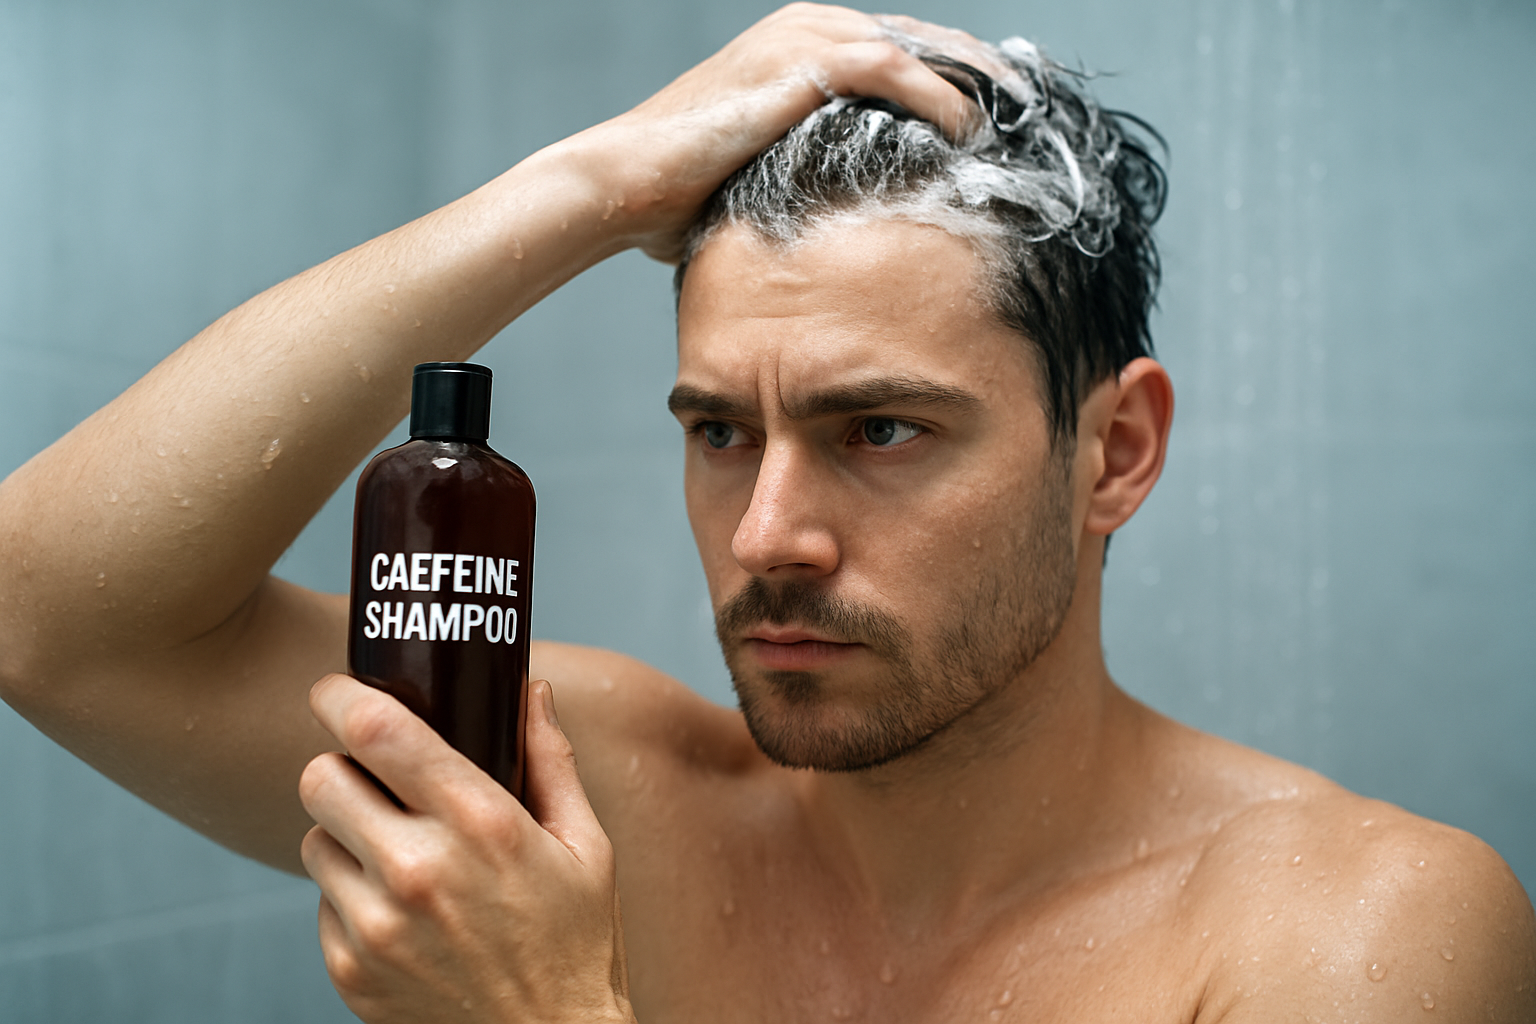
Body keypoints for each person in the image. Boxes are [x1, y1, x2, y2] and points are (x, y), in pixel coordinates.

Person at [0, 5, 1531, 1021]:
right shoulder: (602, 812)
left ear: (1115, 451)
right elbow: (52, 612)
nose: (764, 536)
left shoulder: (1350, 937)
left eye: (880, 428)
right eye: (721, 431)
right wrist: (586, 188)